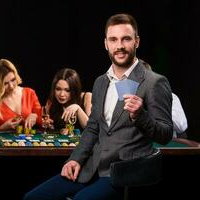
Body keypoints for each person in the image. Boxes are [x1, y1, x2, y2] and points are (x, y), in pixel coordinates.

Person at [24, 13, 173, 200]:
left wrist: (140, 115)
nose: (119, 46)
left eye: (126, 39)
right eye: (113, 39)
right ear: (106, 44)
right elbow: (93, 128)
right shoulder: (101, 82)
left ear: (137, 41)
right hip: (91, 168)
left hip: (123, 173)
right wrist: (75, 159)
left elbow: (165, 134)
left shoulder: (155, 82)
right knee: (33, 198)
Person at [0, 58, 42, 131]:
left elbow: (44, 122)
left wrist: (35, 115)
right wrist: (2, 129)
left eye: (13, 80)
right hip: (2, 142)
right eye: (5, 83)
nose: (11, 86)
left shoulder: (29, 93)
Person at [140, 59, 188, 138]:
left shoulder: (170, 96)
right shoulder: (120, 97)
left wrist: (155, 107)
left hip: (165, 145)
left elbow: (181, 126)